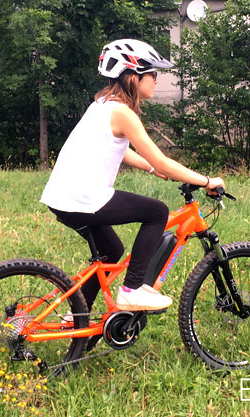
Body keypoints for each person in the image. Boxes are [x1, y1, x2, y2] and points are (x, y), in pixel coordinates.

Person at [40, 39, 225, 313]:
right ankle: (131, 291)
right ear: (134, 77)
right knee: (156, 212)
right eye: (152, 74)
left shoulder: (102, 104)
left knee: (111, 251)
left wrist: (152, 169)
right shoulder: (122, 112)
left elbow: (123, 152)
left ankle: (76, 316)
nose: (155, 80)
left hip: (62, 197)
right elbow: (161, 160)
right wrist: (207, 181)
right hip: (85, 199)